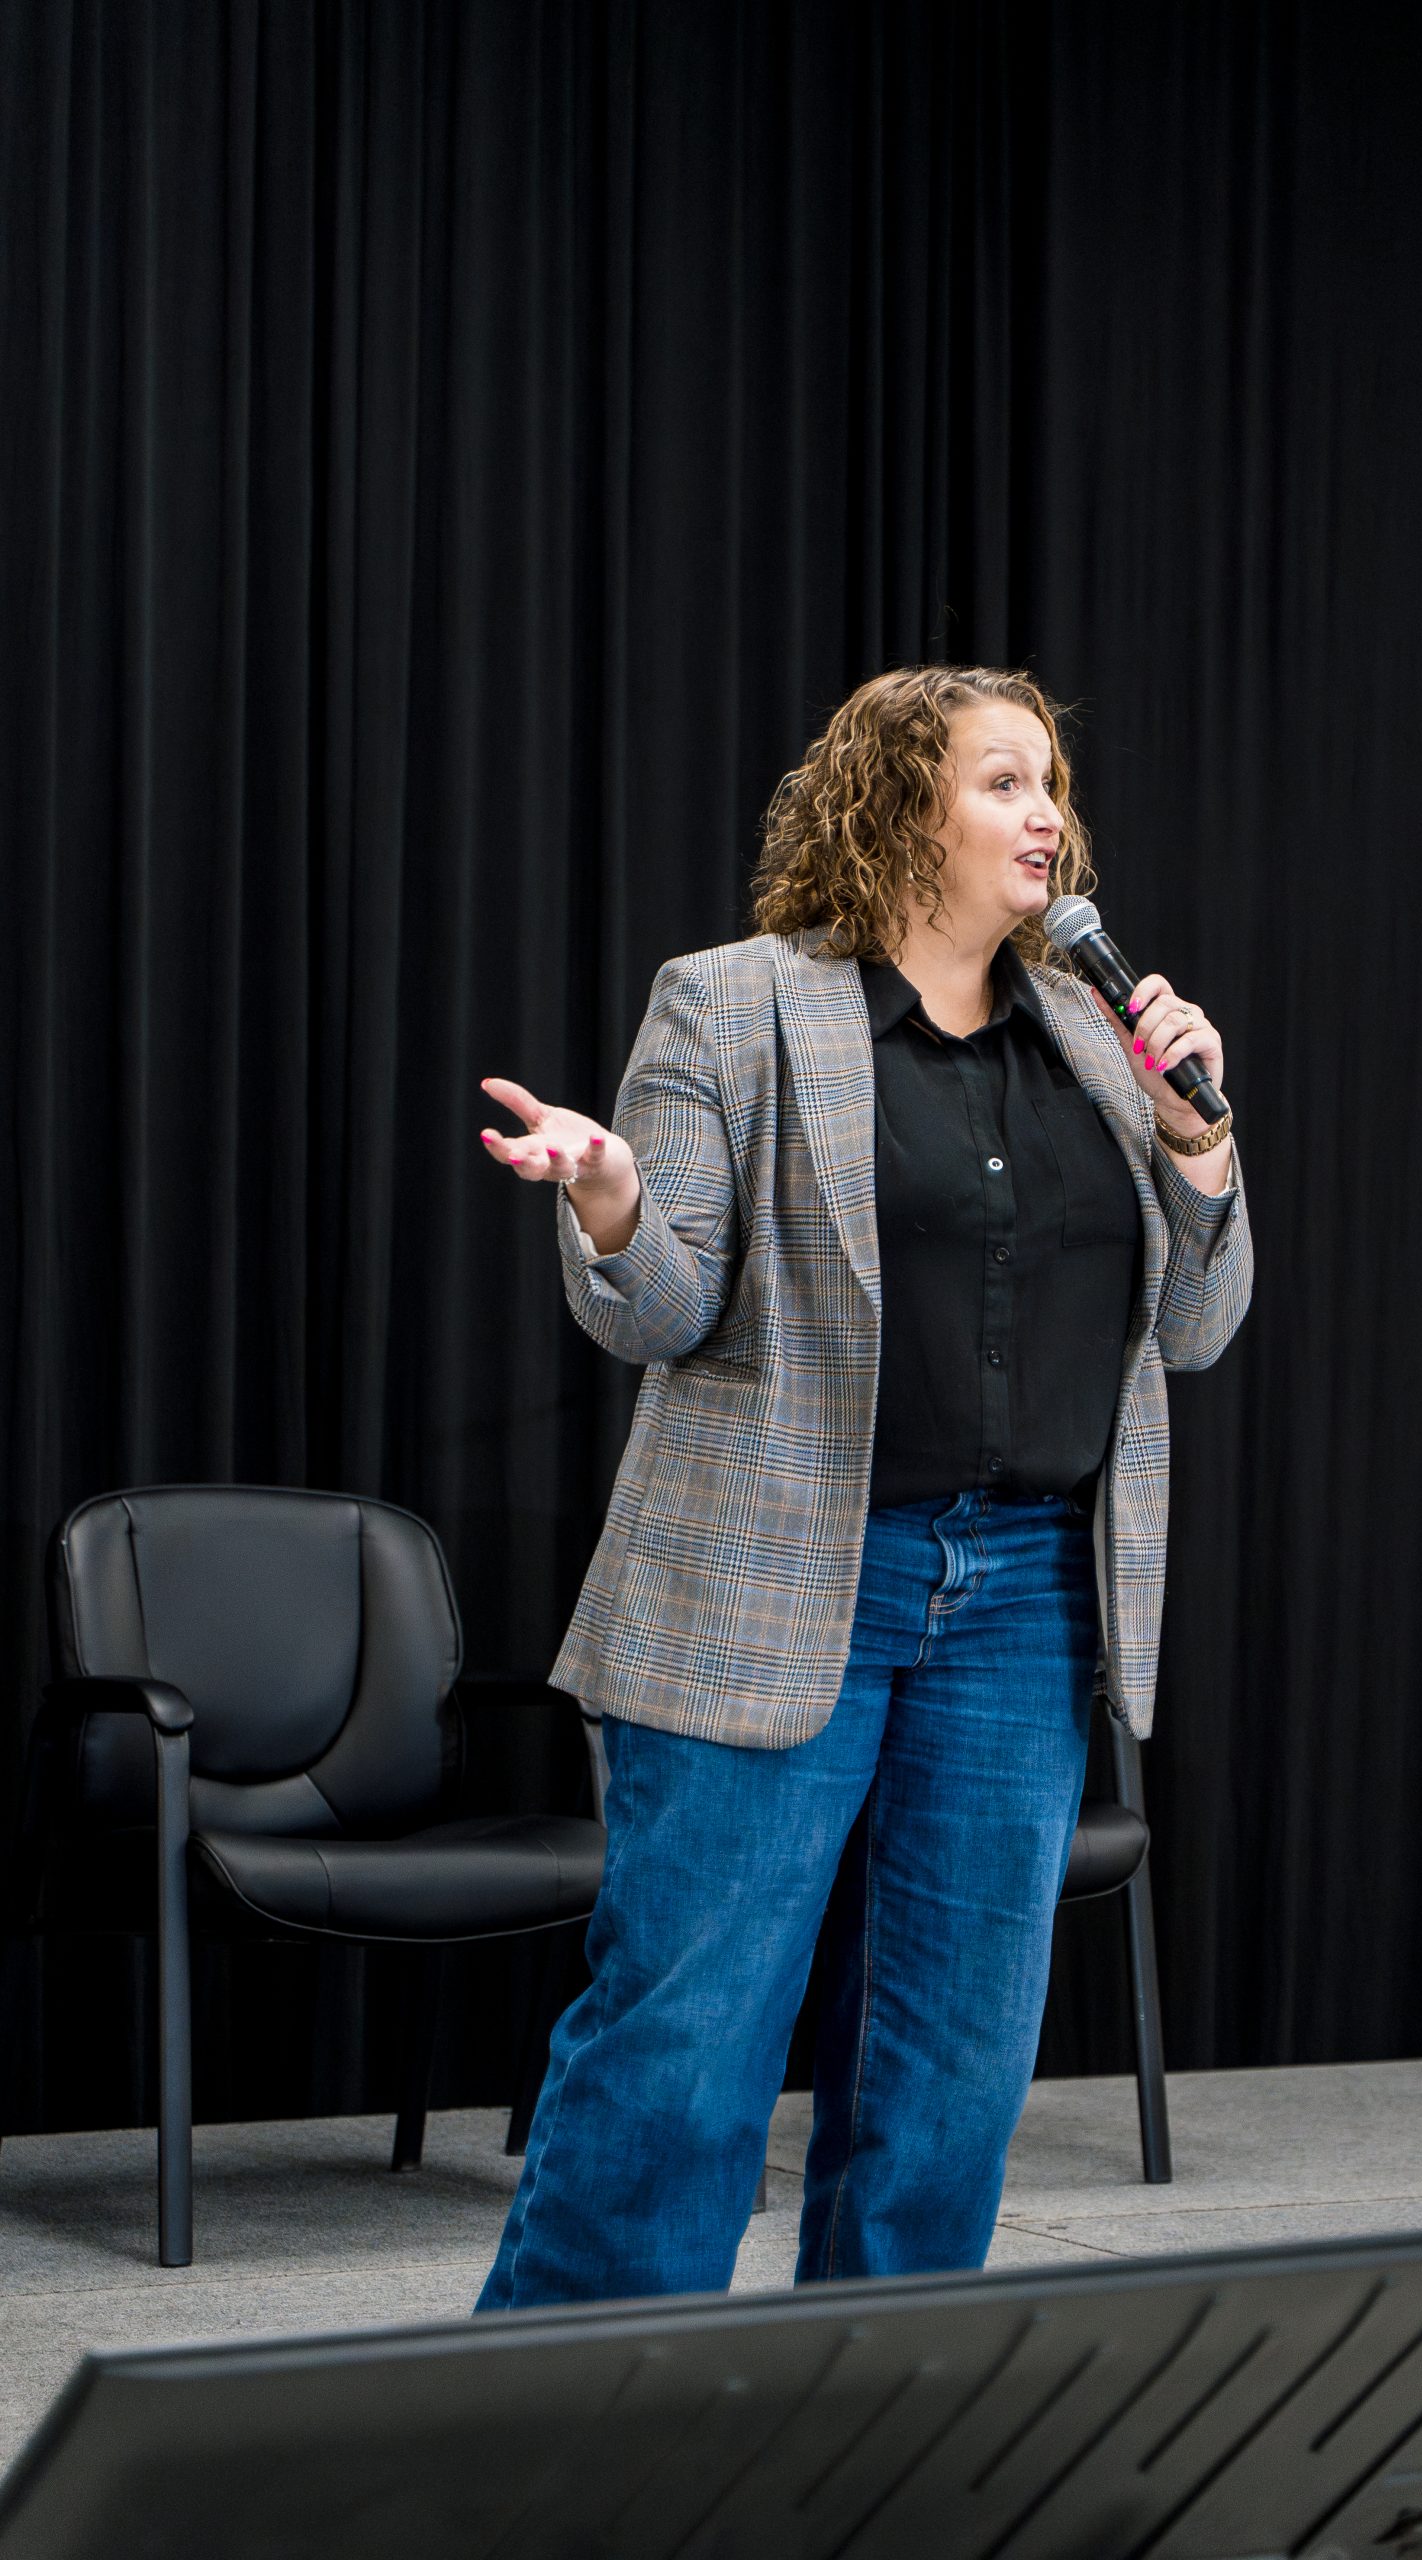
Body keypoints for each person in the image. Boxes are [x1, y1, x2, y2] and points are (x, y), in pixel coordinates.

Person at [472, 664, 1252, 2309]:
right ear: (900, 807)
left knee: (952, 2074)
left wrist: (1200, 1142)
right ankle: (567, 2424)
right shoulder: (735, 1005)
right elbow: (662, 1312)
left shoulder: (1098, 1039)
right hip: (782, 1578)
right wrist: (611, 1201)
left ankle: (875, 2430)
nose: (1045, 817)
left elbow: (1192, 1326)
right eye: (1001, 783)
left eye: (1051, 786)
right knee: (687, 2051)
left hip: (1024, 1601)